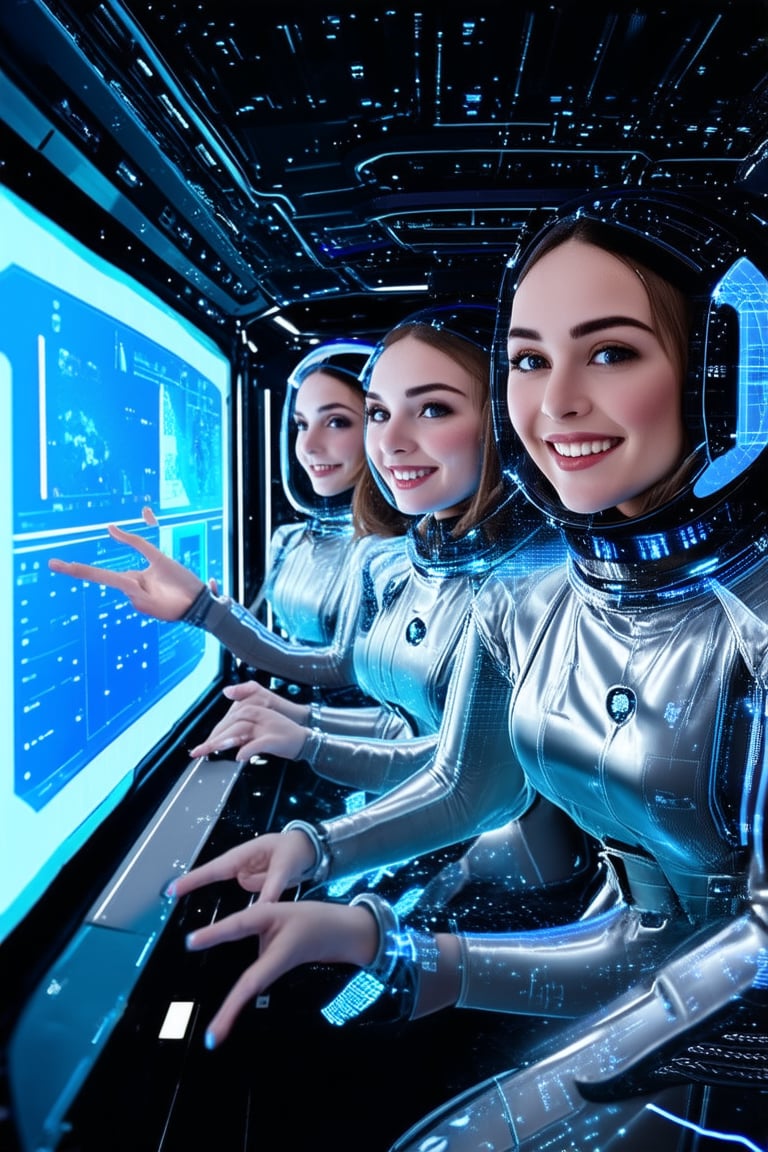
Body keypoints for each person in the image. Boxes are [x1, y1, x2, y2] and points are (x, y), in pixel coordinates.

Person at [167, 186, 768, 1149]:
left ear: (731, 375)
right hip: (625, 979)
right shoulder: (534, 600)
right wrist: (365, 917)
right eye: (530, 360)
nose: (556, 403)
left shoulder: (752, 627)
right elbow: (478, 794)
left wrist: (416, 960)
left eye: (610, 352)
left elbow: (748, 972)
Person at [190, 304, 588, 920]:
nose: (391, 442)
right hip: (433, 841)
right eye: (380, 412)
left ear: (504, 420)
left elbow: (470, 780)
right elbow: (406, 724)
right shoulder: (404, 560)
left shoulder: (534, 582)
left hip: (509, 879)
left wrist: (311, 759)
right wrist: (300, 726)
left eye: (433, 409)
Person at [48, 343, 410, 707]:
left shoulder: (389, 553)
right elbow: (264, 639)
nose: (309, 445)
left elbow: (339, 668)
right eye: (301, 424)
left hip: (353, 742)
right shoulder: (288, 539)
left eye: (336, 422)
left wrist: (203, 608)